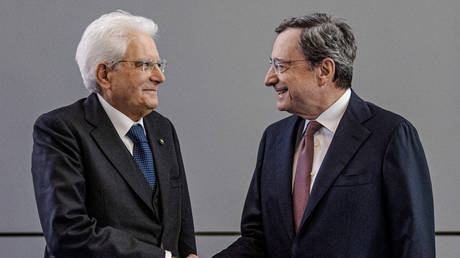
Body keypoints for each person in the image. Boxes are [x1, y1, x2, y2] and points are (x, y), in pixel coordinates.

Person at [215, 13, 435, 257]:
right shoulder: (273, 140)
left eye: (281, 66)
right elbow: (257, 238)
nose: (269, 78)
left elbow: (414, 244)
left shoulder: (391, 135)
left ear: (324, 70)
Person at [31, 11, 197, 258]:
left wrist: (188, 254)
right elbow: (67, 233)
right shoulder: (60, 130)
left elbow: (180, 218)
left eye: (159, 65)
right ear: (104, 75)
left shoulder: (163, 129)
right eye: (144, 65)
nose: (159, 77)